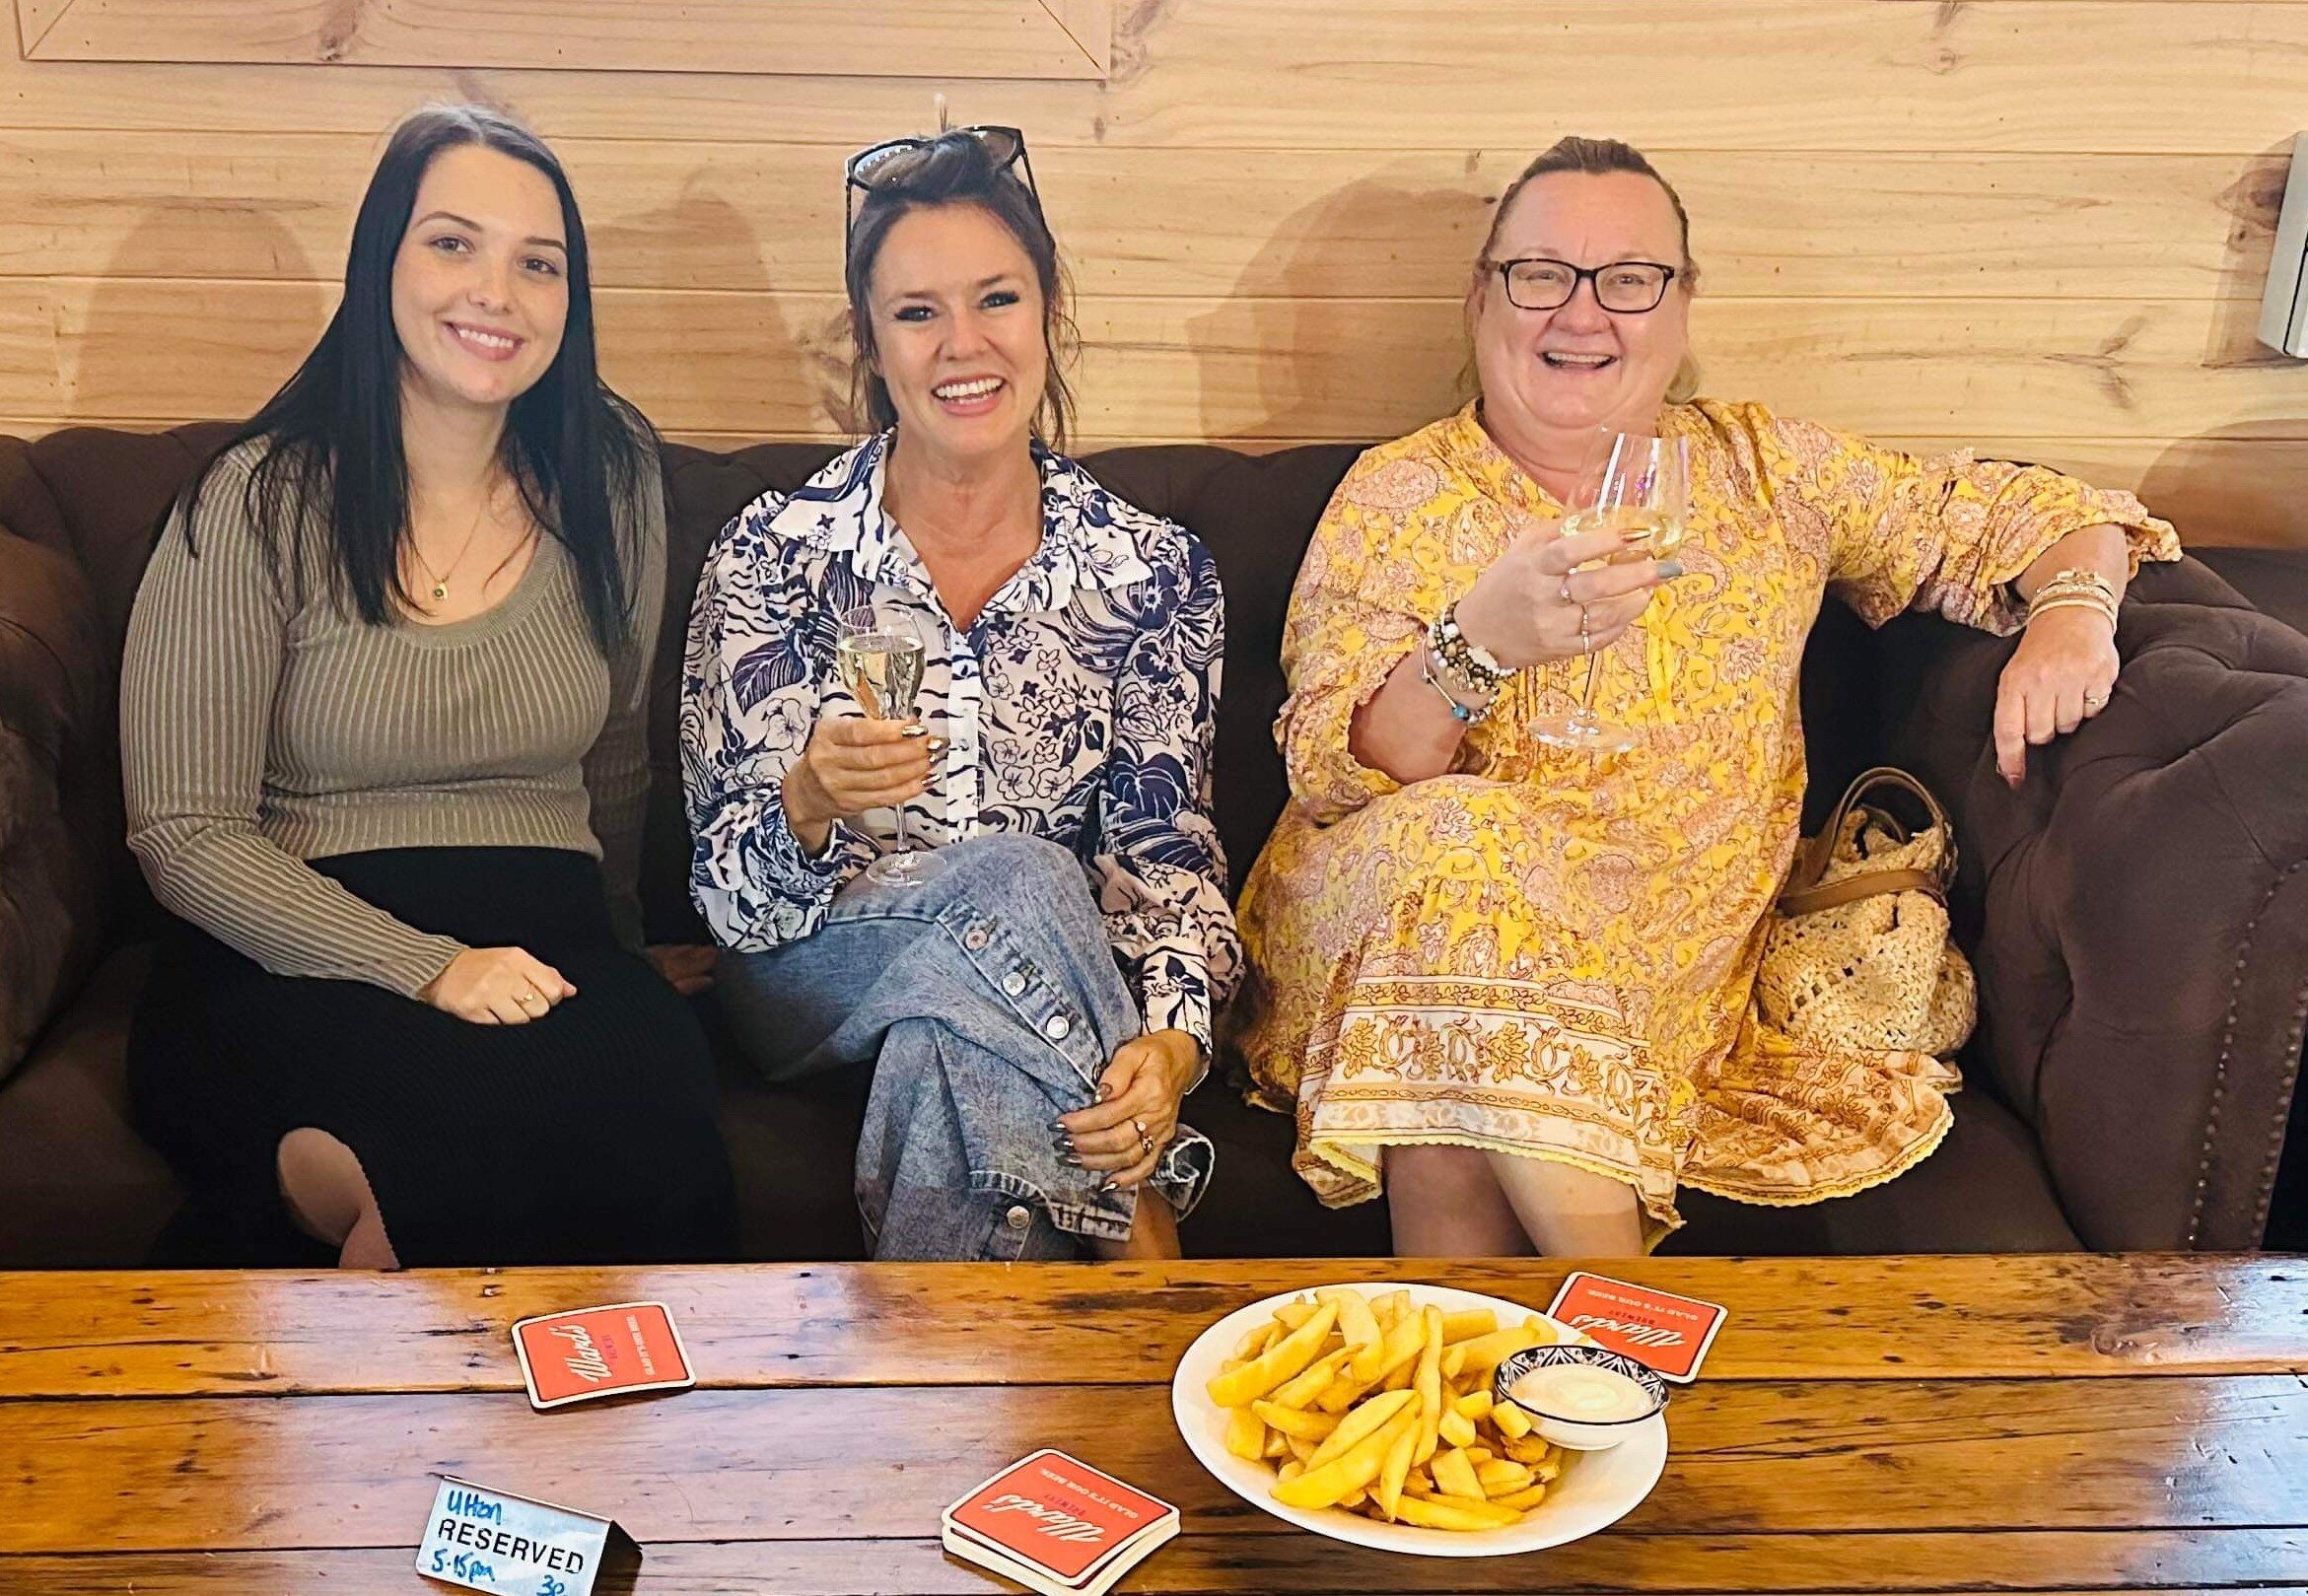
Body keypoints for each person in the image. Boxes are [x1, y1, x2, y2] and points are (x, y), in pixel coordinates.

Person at [1233, 135, 2180, 1257]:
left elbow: (2016, 514)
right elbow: (1336, 770)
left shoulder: (1760, 468)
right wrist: (1475, 643)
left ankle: (1480, 1380)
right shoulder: (1400, 490)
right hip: (1393, 920)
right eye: (1539, 274)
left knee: (1449, 1097)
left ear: (1680, 310)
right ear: (1479, 299)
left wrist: (2072, 609)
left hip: (1653, 957)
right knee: (1461, 838)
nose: (1580, 315)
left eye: (1628, 279)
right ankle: (1635, 1342)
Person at [121, 104, 736, 1269]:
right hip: (294, 946)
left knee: (661, 1132)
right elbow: (185, 832)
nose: (496, 291)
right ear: (381, 264)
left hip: (545, 945)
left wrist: (616, 945)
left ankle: (634, 1461)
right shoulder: (255, 501)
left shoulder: (611, 474)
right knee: (442, 1163)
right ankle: (399, 1450)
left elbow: (613, 756)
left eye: (538, 262)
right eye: (453, 243)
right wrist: (429, 966)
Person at [682, 127, 1238, 1261]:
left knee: (947, 1045)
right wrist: (804, 801)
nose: (963, 345)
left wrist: (1171, 1045)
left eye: (996, 299)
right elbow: (729, 903)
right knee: (1019, 871)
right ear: (871, 344)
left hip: (998, 993)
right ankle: (1144, 1228)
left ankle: (932, 1410)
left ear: (1047, 317)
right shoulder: (776, 553)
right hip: (806, 965)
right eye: (918, 312)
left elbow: (1166, 857)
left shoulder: (1151, 570)